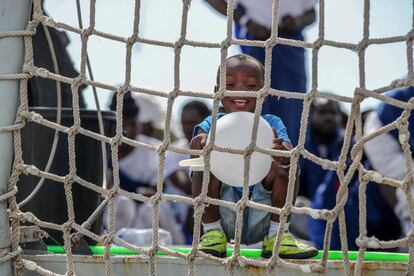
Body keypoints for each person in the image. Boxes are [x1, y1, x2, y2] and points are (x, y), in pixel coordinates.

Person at [190, 54, 317, 258]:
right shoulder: (213, 122)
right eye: (230, 84)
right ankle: (211, 232)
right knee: (201, 164)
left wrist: (282, 151)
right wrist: (201, 141)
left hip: (264, 210)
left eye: (250, 85)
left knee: (287, 165)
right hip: (224, 210)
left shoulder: (271, 122)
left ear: (264, 93)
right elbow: (197, 141)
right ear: (217, 92)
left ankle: (278, 235)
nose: (240, 90)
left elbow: (285, 148)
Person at [204, 0, 317, 145]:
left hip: (290, 42)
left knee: (293, 110)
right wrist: (245, 21)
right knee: (251, 104)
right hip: (255, 39)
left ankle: (289, 163)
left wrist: (298, 21)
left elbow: (312, 12)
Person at [103, 92, 185, 245]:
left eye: (132, 125)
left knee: (155, 209)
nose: (128, 131)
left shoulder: (153, 149)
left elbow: (158, 188)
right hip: (114, 215)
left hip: (147, 213)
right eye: (123, 125)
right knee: (122, 204)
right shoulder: (101, 149)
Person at [163, 101, 211, 243]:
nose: (187, 128)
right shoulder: (174, 150)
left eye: (193, 123)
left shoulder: (220, 147)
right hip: (183, 221)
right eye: (184, 123)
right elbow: (182, 183)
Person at [299, 98, 344, 200]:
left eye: (333, 112)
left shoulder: (349, 146)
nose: (329, 117)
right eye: (322, 112)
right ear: (310, 115)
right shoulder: (299, 146)